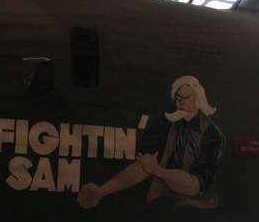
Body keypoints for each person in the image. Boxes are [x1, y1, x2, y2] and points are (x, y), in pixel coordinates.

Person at [77, 75, 225, 209]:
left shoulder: (212, 135)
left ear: (199, 100)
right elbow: (144, 165)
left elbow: (193, 187)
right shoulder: (165, 123)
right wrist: (100, 192)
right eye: (179, 98)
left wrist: (158, 171)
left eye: (189, 98)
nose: (182, 103)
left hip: (196, 209)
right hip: (163, 205)